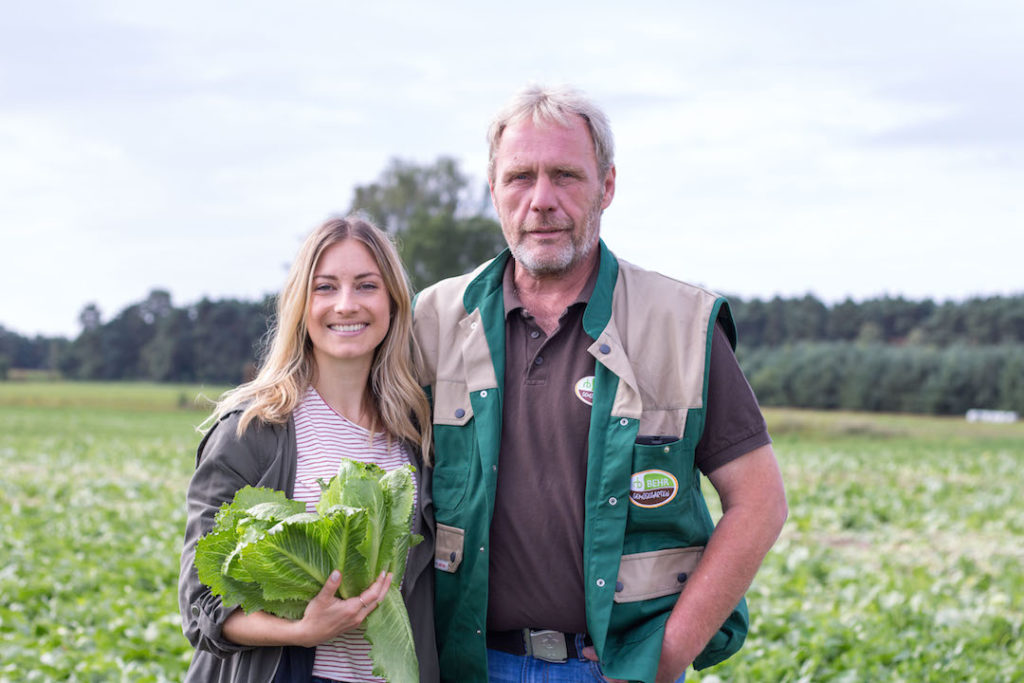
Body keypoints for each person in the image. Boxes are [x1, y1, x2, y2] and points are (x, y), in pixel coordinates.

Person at [411, 85, 788, 683]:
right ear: (493, 190)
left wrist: (666, 655)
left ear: (606, 186)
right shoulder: (432, 321)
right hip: (466, 665)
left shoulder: (680, 324)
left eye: (565, 175)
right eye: (520, 178)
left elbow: (760, 502)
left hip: (613, 669)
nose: (542, 201)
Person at [179, 216, 439, 683]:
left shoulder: (418, 434)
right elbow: (202, 608)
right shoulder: (251, 432)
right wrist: (301, 630)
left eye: (366, 286)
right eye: (325, 287)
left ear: (393, 303)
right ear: (301, 305)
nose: (346, 305)